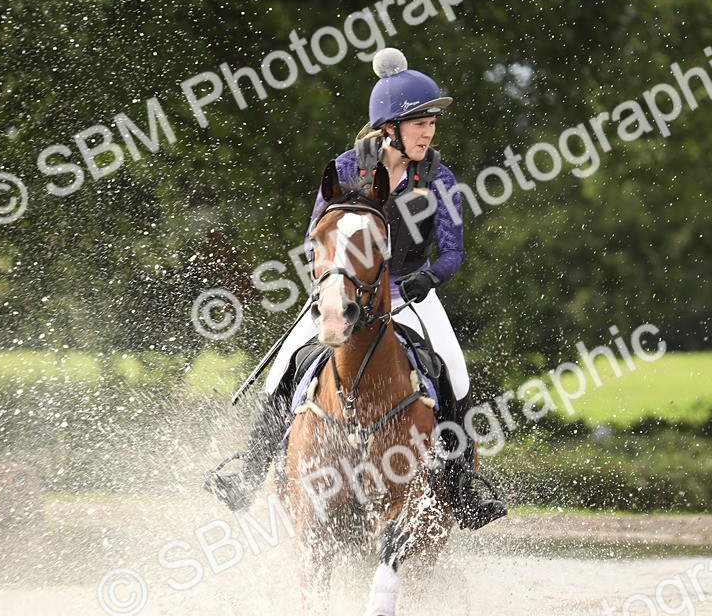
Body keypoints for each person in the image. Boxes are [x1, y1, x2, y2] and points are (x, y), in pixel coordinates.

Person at [206, 47, 505, 529]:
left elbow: (451, 252)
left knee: (455, 370)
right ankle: (250, 469)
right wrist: (333, 281)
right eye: (419, 122)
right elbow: (312, 237)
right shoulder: (347, 169)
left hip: (410, 295)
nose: (429, 131)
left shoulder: (439, 177)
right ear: (390, 128)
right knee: (282, 368)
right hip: (344, 291)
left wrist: (427, 278)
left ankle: (459, 484)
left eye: (431, 123)